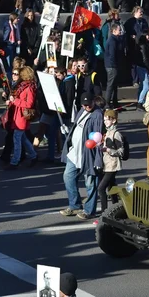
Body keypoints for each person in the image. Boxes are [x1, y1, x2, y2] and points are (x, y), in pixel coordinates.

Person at [60, 92, 104, 220]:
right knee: (68, 176)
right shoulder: (81, 111)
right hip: (75, 153)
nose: (86, 107)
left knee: (90, 183)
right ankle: (74, 205)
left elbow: (98, 138)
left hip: (88, 155)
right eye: (84, 105)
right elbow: (76, 127)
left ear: (93, 101)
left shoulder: (97, 115)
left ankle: (89, 210)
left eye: (88, 104)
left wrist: (98, 159)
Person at [98, 110, 124, 214]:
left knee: (101, 188)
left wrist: (109, 150)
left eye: (107, 120)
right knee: (112, 188)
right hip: (107, 164)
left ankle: (104, 214)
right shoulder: (107, 132)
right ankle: (116, 211)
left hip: (113, 165)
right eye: (104, 120)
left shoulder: (116, 134)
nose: (105, 122)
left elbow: (121, 151)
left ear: (114, 120)